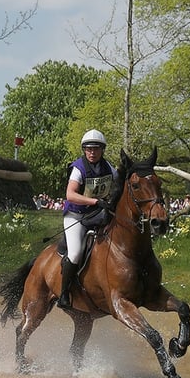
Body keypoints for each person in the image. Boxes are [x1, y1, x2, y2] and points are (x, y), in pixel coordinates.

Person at [58, 129, 120, 309]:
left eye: (96, 149)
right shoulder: (79, 168)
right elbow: (70, 194)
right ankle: (64, 294)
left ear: (102, 150)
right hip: (76, 215)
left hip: (97, 215)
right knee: (76, 252)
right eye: (88, 149)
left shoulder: (109, 168)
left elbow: (119, 186)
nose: (92, 152)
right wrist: (96, 201)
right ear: (84, 150)